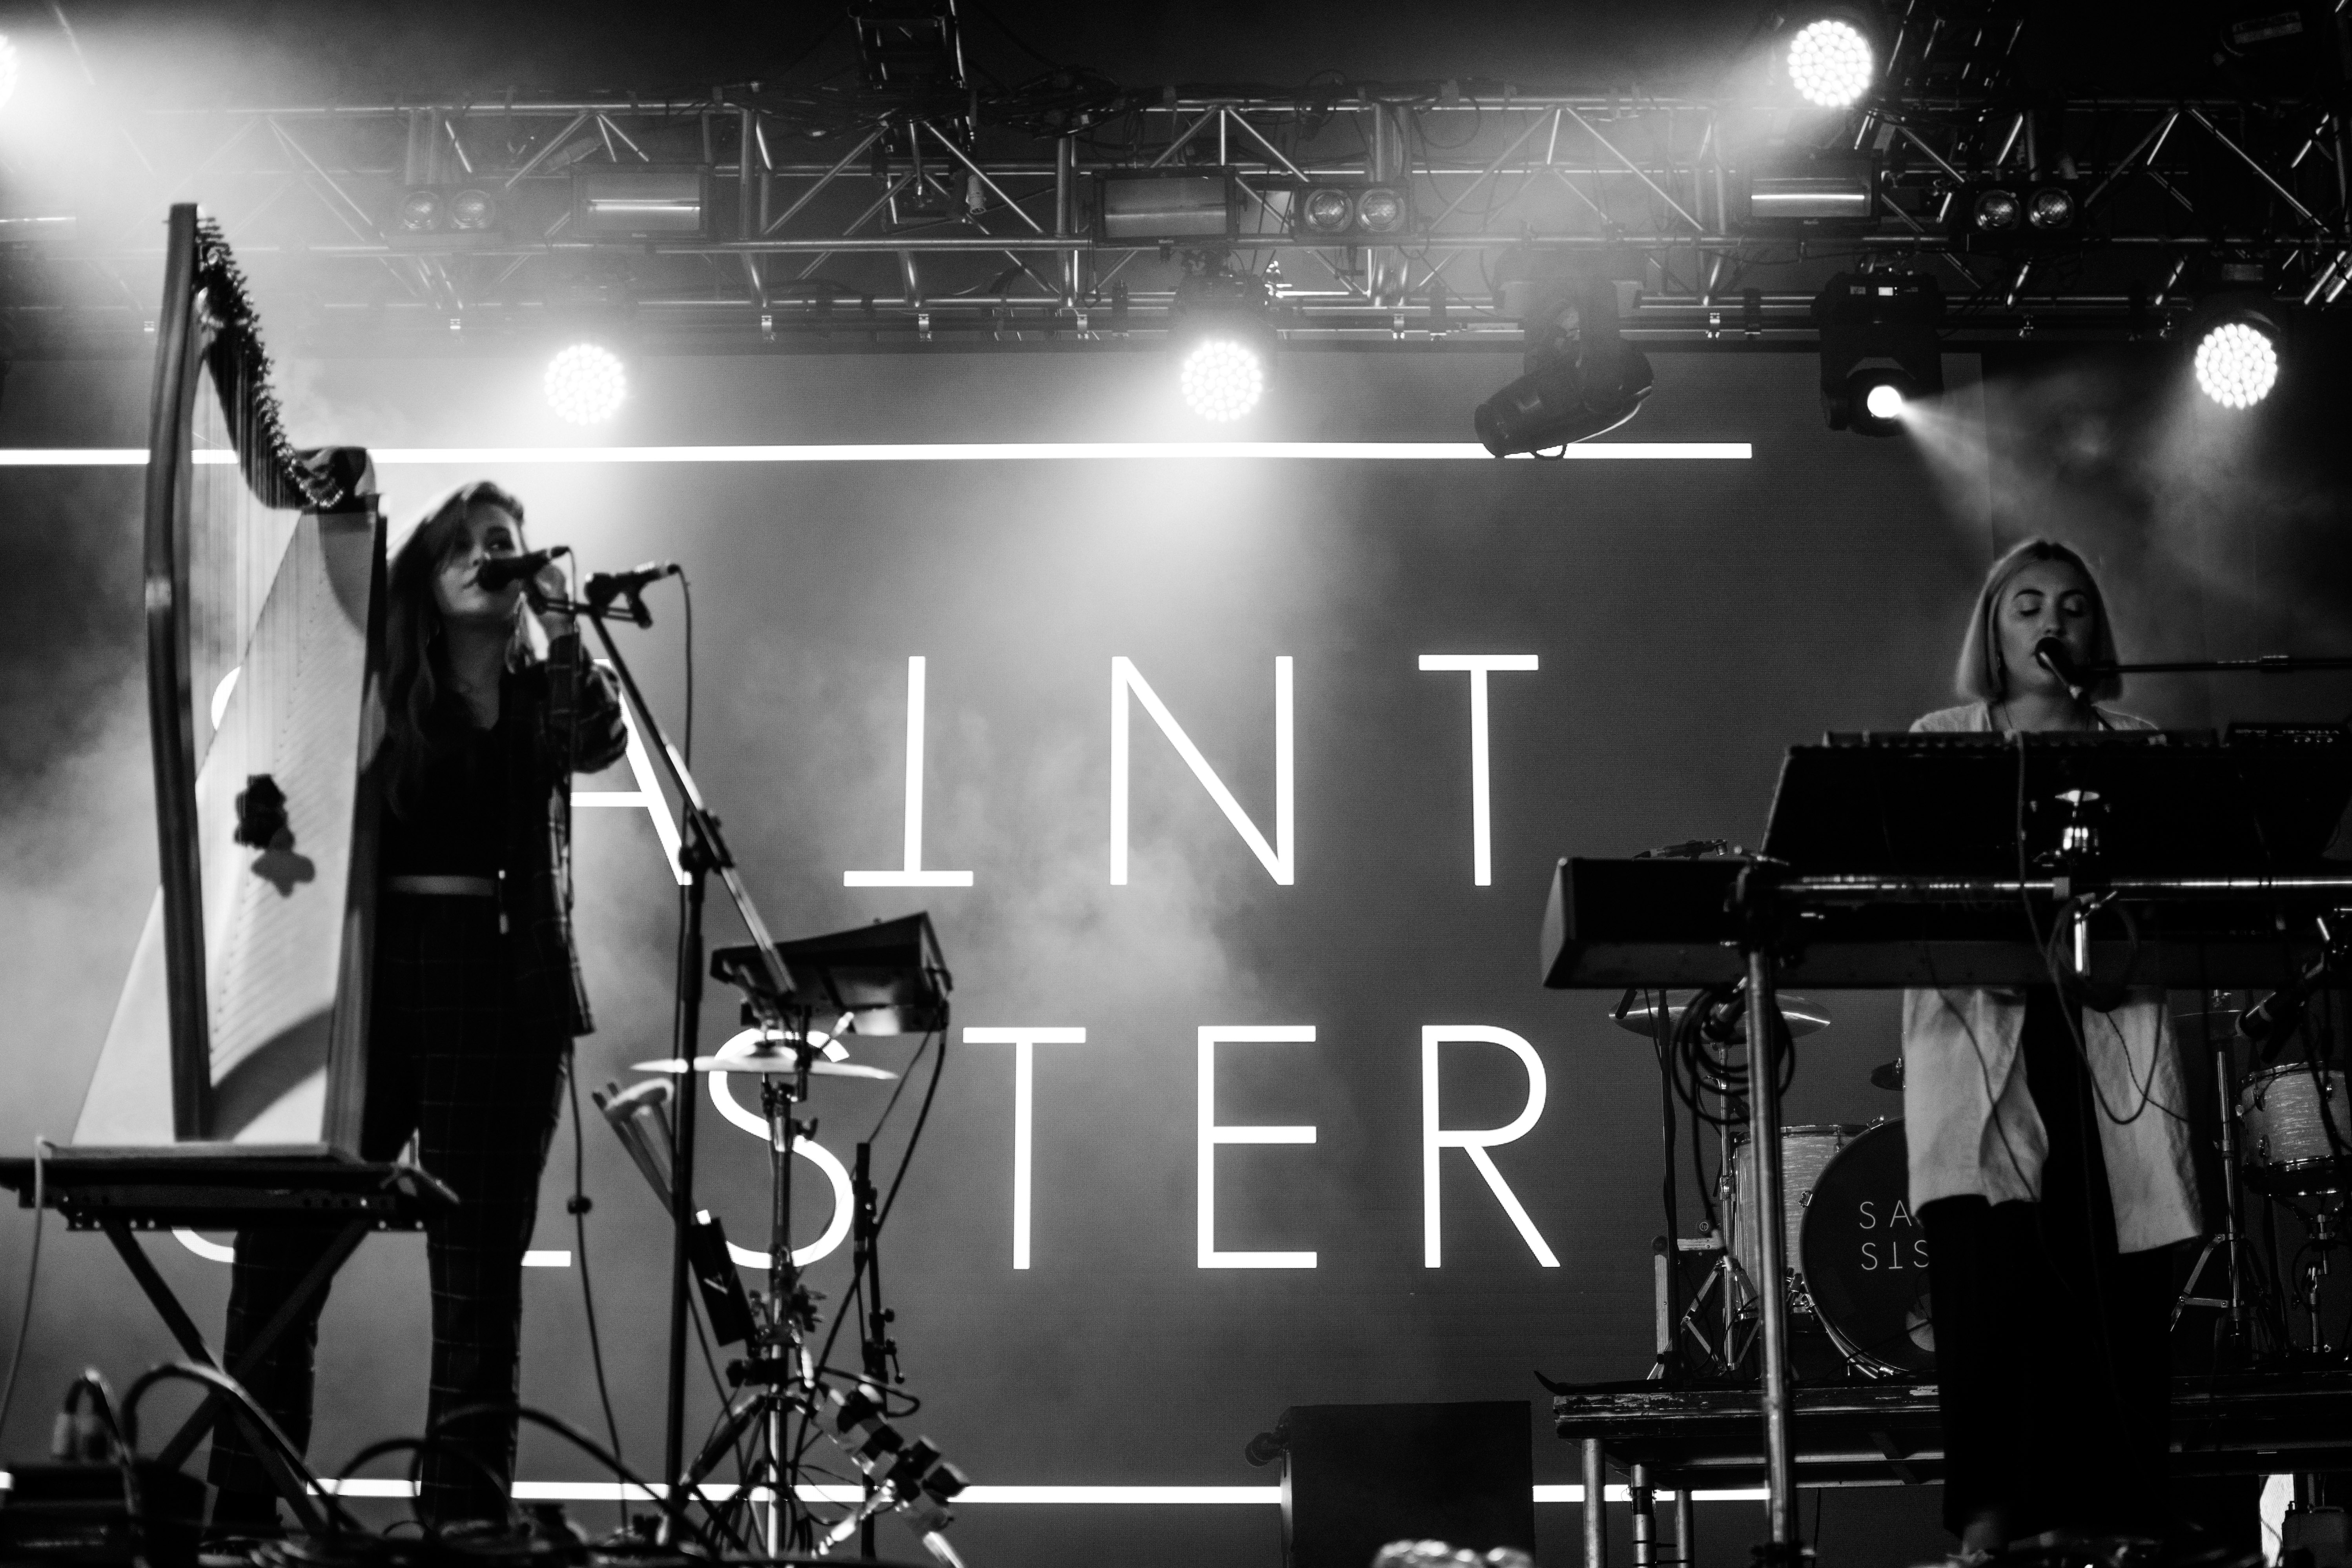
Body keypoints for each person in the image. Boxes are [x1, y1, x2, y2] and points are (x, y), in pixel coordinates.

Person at [208, 481, 628, 1532]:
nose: (489, 555)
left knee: (477, 1277)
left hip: (501, 985)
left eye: (505, 542)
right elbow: (272, 794)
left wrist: (566, 621)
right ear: (428, 577)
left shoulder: (543, 688)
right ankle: (244, 1509)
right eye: (465, 545)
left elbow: (596, 741)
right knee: (281, 1250)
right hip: (371, 981)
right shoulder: (382, 684)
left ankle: (461, 1524)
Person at [1902, 539, 2202, 1555]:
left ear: (2095, 631)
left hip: (2102, 1031)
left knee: (2112, 1280)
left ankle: (2119, 1513)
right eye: (2026, 605)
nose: (2050, 623)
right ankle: (1989, 1520)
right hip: (1980, 1039)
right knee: (1990, 1287)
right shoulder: (1941, 740)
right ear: (1992, 631)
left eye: (2072, 607)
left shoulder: (2137, 745)